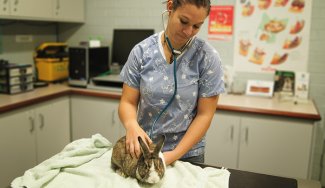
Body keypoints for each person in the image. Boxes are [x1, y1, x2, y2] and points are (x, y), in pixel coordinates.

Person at [118, 0, 224, 166]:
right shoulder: (142, 52)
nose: (189, 32)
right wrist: (131, 124)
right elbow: (127, 102)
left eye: (197, 26)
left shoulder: (207, 58)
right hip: (146, 150)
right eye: (184, 21)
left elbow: (205, 115)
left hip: (188, 155)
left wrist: (173, 155)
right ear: (170, 7)